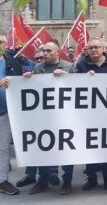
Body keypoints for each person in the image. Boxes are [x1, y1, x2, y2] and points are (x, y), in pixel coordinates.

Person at [24, 41, 76, 195]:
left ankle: (67, 181)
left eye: (48, 51)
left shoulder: (68, 67)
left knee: (67, 149)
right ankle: (43, 181)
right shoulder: (38, 68)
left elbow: (79, 86)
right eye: (43, 50)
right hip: (44, 117)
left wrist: (67, 77)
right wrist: (27, 78)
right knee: (44, 149)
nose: (44, 53)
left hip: (65, 117)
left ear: (58, 52)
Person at [76, 38, 107, 191]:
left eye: (96, 47)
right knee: (90, 147)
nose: (93, 50)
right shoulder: (81, 65)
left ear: (103, 49)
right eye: (90, 47)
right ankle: (91, 178)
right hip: (89, 114)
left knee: (106, 148)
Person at [0, 35, 22, 195]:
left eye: (1, 41)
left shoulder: (13, 62)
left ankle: (2, 180)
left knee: (3, 148)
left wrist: (27, 78)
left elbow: (22, 81)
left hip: (5, 112)